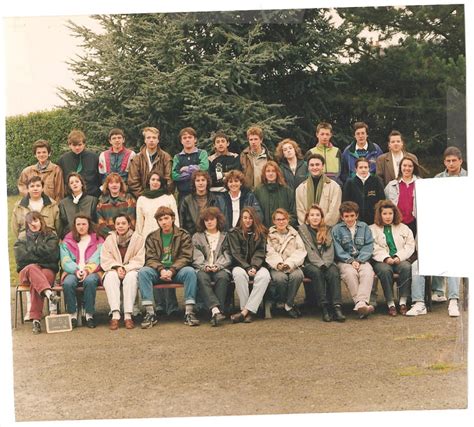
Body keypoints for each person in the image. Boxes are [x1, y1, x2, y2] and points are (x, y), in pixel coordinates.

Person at [137, 206, 200, 328]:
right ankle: (150, 313)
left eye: (166, 218)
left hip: (177, 271)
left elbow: (186, 256)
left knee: (190, 271)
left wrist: (172, 270)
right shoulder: (152, 237)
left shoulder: (183, 235)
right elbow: (150, 257)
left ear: (173, 219)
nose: (164, 222)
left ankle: (189, 312)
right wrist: (161, 270)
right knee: (143, 272)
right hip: (158, 272)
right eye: (160, 219)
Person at [13, 211, 61, 334]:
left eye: (35, 221)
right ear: (27, 224)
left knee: (37, 282)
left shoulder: (51, 236)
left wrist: (32, 251)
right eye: (30, 222)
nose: (33, 224)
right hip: (26, 272)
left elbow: (53, 255)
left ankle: (36, 321)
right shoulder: (22, 237)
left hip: (47, 269)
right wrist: (40, 254)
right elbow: (21, 258)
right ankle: (49, 293)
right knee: (32, 268)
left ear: (41, 221)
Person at [431, 146, 467, 304]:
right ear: (444, 162)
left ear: (461, 161)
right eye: (448, 161)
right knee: (442, 254)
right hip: (444, 223)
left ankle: (461, 294)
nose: (451, 164)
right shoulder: (438, 178)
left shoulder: (469, 178)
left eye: (454, 160)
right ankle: (438, 290)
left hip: (464, 223)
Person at [298, 204, 346, 322]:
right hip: (310, 264)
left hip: (327, 262)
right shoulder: (302, 230)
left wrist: (326, 263)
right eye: (312, 215)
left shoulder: (328, 229)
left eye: (317, 215)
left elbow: (330, 249)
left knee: (334, 272)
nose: (315, 218)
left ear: (321, 217)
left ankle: (336, 307)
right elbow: (308, 250)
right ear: (307, 217)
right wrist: (320, 264)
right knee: (317, 273)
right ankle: (324, 307)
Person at [370, 200, 415, 316]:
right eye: (384, 214)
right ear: (380, 215)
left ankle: (403, 301)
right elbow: (372, 247)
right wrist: (385, 258)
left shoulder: (403, 228)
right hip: (382, 261)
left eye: (390, 213)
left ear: (395, 214)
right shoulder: (372, 229)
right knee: (385, 271)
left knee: (406, 267)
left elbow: (410, 245)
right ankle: (390, 303)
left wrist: (399, 256)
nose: (388, 216)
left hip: (400, 259)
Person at [100, 214, 145, 330]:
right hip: (114, 269)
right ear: (114, 226)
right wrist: (117, 267)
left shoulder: (138, 239)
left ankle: (128, 315)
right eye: (118, 224)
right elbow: (105, 258)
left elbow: (140, 258)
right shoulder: (109, 239)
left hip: (131, 269)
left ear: (129, 224)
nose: (120, 226)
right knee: (110, 277)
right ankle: (115, 314)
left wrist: (126, 268)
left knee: (131, 277)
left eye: (123, 223)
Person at [332, 201, 375, 318]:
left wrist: (360, 260)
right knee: (349, 273)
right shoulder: (336, 229)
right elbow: (337, 249)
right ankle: (361, 303)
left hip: (362, 259)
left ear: (356, 215)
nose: (349, 219)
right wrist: (351, 261)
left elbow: (369, 245)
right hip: (344, 261)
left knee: (367, 272)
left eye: (352, 216)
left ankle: (360, 303)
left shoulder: (364, 227)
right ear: (342, 217)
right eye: (346, 216)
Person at [60, 214, 104, 328]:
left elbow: (98, 257)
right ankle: (72, 314)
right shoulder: (67, 240)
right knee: (68, 283)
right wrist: (76, 270)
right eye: (78, 224)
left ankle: (89, 314)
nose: (81, 227)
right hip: (72, 271)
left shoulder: (98, 239)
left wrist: (86, 270)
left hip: (93, 271)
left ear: (89, 224)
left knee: (89, 282)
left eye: (84, 224)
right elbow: (65, 259)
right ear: (74, 225)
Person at [228, 207, 271, 323]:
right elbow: (235, 253)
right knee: (238, 274)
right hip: (240, 265)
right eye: (245, 218)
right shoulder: (234, 233)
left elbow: (261, 252)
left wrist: (254, 267)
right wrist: (247, 267)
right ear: (241, 219)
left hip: (257, 265)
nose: (248, 220)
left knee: (265, 276)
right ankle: (247, 311)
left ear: (254, 219)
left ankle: (244, 312)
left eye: (250, 218)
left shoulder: (261, 233)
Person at [192, 207, 232, 326]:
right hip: (203, 268)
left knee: (223, 277)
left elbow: (228, 254)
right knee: (201, 277)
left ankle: (216, 312)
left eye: (212, 219)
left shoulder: (225, 236)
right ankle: (216, 310)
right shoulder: (197, 236)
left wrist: (218, 265)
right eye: (206, 220)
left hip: (220, 267)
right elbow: (195, 254)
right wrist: (205, 266)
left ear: (217, 220)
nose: (209, 222)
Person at [265, 208, 306, 318]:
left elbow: (301, 250)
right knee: (280, 278)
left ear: (288, 220)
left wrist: (289, 263)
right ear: (274, 221)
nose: (281, 222)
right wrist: (278, 263)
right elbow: (269, 251)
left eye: (283, 219)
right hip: (277, 266)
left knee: (298, 275)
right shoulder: (269, 235)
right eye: (278, 219)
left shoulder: (295, 234)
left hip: (292, 265)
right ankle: (281, 301)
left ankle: (288, 304)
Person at [295, 153, 341, 226]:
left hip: (327, 228)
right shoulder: (300, 188)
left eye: (317, 164)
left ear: (322, 166)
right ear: (308, 167)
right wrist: (310, 225)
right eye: (312, 165)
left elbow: (334, 211)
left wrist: (322, 224)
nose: (314, 167)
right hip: (308, 230)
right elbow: (300, 210)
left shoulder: (334, 187)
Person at [127, 126, 173, 198]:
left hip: (161, 197)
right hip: (142, 197)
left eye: (154, 138)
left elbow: (169, 180)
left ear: (158, 140)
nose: (151, 140)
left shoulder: (166, 157)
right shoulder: (136, 158)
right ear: (145, 140)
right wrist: (145, 196)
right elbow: (133, 182)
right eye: (148, 138)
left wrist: (160, 195)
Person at [384, 155, 423, 237]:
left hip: (415, 223)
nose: (407, 168)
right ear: (400, 167)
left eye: (410, 166)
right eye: (404, 165)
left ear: (414, 168)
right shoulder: (391, 185)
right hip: (397, 223)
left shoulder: (421, 184)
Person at [254, 161, 297, 228]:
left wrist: (283, 226)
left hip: (284, 231)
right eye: (268, 171)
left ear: (277, 173)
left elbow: (293, 214)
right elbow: (255, 213)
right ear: (264, 174)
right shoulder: (258, 191)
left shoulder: (287, 191)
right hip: (263, 231)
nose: (271, 173)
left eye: (273, 171)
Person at [135, 172, 179, 238]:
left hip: (166, 235)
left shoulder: (168, 197)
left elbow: (175, 219)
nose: (155, 182)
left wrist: (176, 235)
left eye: (158, 180)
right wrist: (139, 238)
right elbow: (139, 223)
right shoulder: (142, 199)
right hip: (148, 236)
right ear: (149, 181)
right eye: (153, 179)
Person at [342, 157, 385, 225]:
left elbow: (382, 201)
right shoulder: (350, 183)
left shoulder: (376, 181)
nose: (363, 170)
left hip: (373, 220)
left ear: (369, 168)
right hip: (355, 220)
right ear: (356, 169)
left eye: (365, 167)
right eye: (361, 167)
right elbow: (345, 203)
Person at [57, 129, 100, 197]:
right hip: (71, 198)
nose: (77, 148)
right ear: (69, 145)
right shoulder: (63, 160)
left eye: (79, 145)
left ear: (84, 144)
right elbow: (61, 181)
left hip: (91, 197)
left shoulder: (94, 158)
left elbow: (99, 179)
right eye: (74, 145)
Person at [172, 127, 209, 204]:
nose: (187, 140)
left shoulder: (202, 153)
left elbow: (204, 167)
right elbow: (174, 175)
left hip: (201, 195)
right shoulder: (177, 157)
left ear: (195, 139)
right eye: (184, 138)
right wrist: (194, 172)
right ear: (181, 141)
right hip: (183, 195)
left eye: (190, 137)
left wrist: (187, 169)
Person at [96, 173, 137, 238]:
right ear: (107, 185)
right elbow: (100, 222)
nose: (114, 185)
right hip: (108, 237)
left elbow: (131, 220)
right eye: (111, 183)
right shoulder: (101, 200)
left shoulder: (128, 198)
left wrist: (122, 233)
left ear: (121, 184)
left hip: (127, 237)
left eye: (117, 182)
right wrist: (110, 234)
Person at [179, 171, 219, 236]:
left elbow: (219, 220)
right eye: (198, 180)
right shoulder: (186, 200)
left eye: (203, 180)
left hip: (211, 235)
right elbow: (182, 223)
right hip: (192, 236)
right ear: (194, 183)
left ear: (207, 182)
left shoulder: (214, 199)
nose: (200, 183)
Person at [59, 172, 98, 237]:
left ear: (82, 184)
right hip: (70, 237)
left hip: (89, 236)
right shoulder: (63, 203)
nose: (74, 184)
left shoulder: (93, 201)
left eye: (77, 181)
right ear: (69, 186)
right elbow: (63, 224)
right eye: (71, 183)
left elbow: (95, 221)